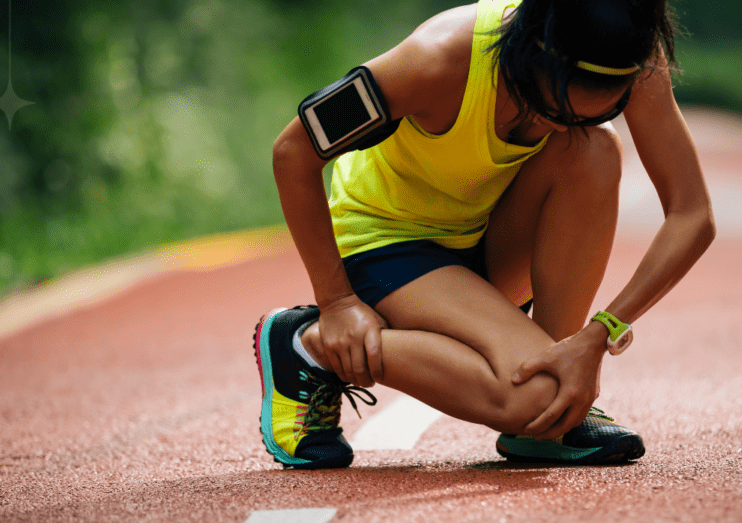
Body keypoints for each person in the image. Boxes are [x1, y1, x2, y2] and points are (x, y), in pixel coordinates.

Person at [257, 0, 714, 469]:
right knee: (540, 397)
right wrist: (337, 303)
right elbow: (293, 150)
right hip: (386, 242)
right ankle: (309, 345)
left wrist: (596, 336)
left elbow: (692, 215)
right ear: (530, 54)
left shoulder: (625, 53)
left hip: (483, 240)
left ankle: (547, 409)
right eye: (550, 108)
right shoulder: (435, 59)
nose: (554, 127)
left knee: (595, 147)